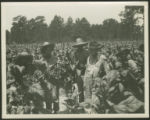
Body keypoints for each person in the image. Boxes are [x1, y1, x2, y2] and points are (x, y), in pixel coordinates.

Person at [70, 38, 89, 102]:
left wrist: (85, 66)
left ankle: (87, 105)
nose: (79, 47)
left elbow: (88, 63)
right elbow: (73, 64)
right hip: (78, 73)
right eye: (78, 46)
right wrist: (76, 67)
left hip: (86, 73)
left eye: (80, 45)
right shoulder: (74, 54)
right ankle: (81, 104)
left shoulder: (87, 52)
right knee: (80, 91)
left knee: (87, 90)